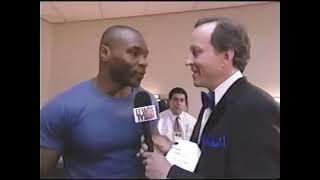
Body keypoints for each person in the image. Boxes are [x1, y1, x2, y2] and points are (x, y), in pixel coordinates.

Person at [139, 17, 280, 179]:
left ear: (226, 57)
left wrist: (169, 174)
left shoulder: (256, 107)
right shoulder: (211, 104)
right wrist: (171, 149)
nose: (188, 61)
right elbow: (213, 163)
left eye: (196, 52)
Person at [40, 25, 159, 179]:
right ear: (104, 53)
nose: (144, 62)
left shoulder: (146, 101)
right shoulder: (62, 107)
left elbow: (154, 145)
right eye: (134, 53)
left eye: (145, 56)